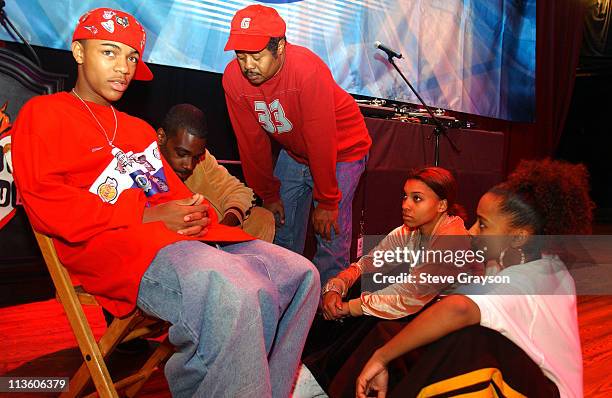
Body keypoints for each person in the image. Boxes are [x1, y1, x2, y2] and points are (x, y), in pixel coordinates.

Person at [11, 8, 319, 398]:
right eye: (109, 52)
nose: (123, 67)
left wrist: (193, 211)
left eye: (131, 57)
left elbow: (169, 193)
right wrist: (149, 214)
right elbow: (48, 204)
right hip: (108, 247)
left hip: (169, 240)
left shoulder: (138, 129)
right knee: (233, 290)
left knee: (300, 274)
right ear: (78, 52)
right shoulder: (43, 113)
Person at [356, 158, 592, 398]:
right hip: (522, 378)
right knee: (406, 334)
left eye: (483, 225)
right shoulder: (536, 260)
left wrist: (382, 356)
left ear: (518, 237)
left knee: (468, 342)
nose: (471, 231)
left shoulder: (528, 282)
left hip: (546, 391)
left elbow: (459, 309)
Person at [222, 4, 372, 284]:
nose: (247, 66)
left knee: (329, 231)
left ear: (280, 47)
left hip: (342, 149)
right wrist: (268, 193)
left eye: (256, 56)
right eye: (241, 56)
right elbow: (251, 143)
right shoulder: (233, 78)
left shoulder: (307, 70)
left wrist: (327, 200)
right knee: (279, 223)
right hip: (296, 150)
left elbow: (321, 138)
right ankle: (283, 293)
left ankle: (328, 303)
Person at [298, 167, 472, 395]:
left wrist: (348, 308)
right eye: (405, 196)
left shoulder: (452, 240)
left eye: (417, 198)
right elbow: (369, 262)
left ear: (441, 205)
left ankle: (323, 380)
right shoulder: (412, 230)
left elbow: (409, 294)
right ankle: (311, 366)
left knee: (377, 317)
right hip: (421, 306)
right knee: (365, 284)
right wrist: (338, 284)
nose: (405, 204)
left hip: (452, 323)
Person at [157, 103, 275, 242]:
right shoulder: (141, 160)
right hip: (174, 243)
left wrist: (223, 230)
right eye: (182, 154)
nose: (189, 165)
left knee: (261, 217)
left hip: (211, 234)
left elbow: (239, 191)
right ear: (161, 137)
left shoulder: (202, 159)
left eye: (195, 157)